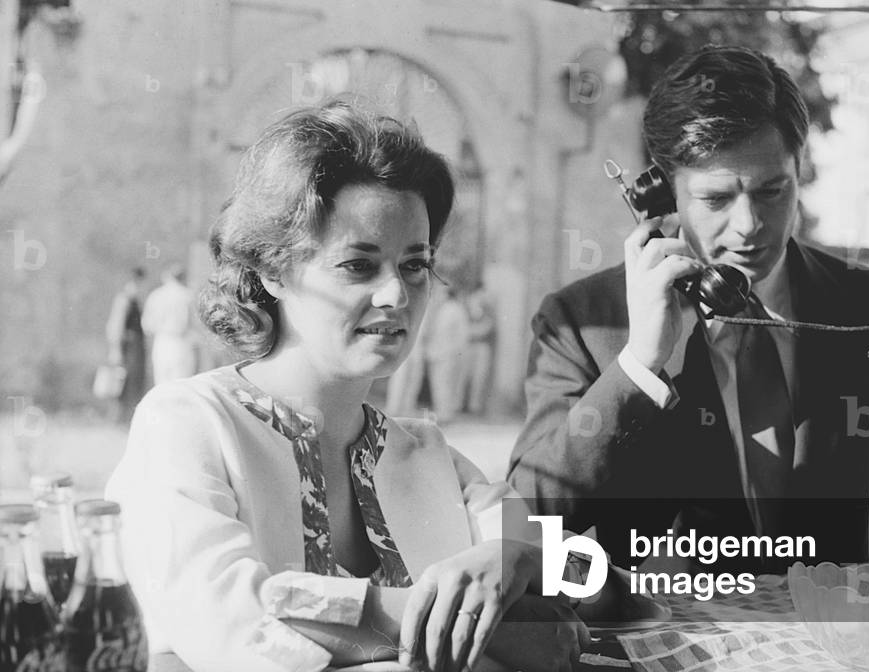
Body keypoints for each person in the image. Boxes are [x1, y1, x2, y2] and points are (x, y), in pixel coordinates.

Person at [106, 101, 631, 672]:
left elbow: (597, 589)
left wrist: (517, 558)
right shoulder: (188, 423)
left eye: (414, 264)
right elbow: (233, 621)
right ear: (270, 270)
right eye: (359, 265)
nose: (396, 296)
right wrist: (452, 619)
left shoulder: (430, 457)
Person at [507, 46, 869, 570]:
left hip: (819, 639)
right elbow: (525, 511)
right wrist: (638, 366)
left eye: (773, 191)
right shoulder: (581, 323)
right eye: (716, 199)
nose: (750, 224)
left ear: (801, 169)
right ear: (658, 197)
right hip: (657, 634)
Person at [141, 263, 198, 384]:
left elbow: (147, 325)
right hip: (181, 343)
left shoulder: (155, 295)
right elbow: (194, 324)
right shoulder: (187, 296)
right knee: (180, 384)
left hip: (161, 343)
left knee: (161, 384)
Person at [423, 284, 471, 423]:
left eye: (441, 293)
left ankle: (445, 415)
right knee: (439, 384)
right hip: (438, 352)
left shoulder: (453, 309)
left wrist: (455, 352)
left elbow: (462, 335)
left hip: (447, 354)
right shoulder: (441, 308)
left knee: (444, 384)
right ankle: (442, 413)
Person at [105, 266, 147, 423]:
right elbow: (115, 326)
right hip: (127, 347)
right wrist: (116, 350)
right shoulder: (124, 299)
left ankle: (128, 418)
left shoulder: (135, 299)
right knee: (122, 382)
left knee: (134, 381)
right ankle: (118, 419)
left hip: (136, 347)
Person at [462, 281, 496, 415]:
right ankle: (463, 405)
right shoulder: (469, 309)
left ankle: (474, 407)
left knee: (479, 377)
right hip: (470, 346)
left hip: (482, 347)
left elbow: (486, 330)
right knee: (466, 375)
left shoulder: (488, 316)